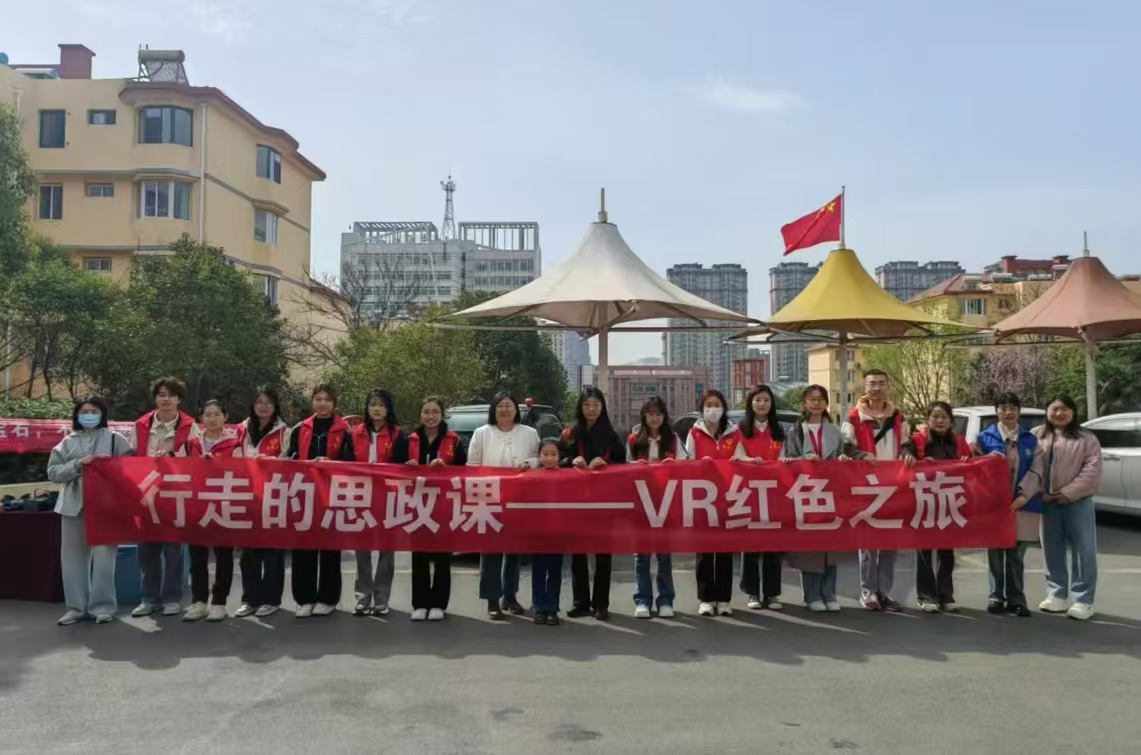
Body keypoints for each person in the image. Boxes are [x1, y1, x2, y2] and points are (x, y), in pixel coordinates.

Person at [1013, 395, 1103, 621]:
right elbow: (1028, 467)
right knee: (1051, 550)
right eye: (1055, 409)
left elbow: (1092, 471)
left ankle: (1083, 600)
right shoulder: (1036, 434)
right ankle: (1057, 594)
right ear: (1047, 411)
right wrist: (1032, 492)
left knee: (1083, 551)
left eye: (1065, 409)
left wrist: (1067, 493)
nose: (1059, 413)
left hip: (1077, 501)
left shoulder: (1087, 438)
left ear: (1073, 412)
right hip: (1045, 502)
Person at [48, 396, 134, 625]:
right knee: (72, 561)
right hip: (72, 507)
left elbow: (132, 470)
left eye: (94, 411)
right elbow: (53, 473)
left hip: (106, 509)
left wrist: (112, 466)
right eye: (84, 411)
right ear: (77, 415)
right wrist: (77, 464)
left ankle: (103, 607)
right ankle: (76, 608)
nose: (89, 415)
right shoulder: (67, 442)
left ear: (102, 414)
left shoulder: (116, 439)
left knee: (104, 561)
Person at [781, 385, 866, 612]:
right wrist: (803, 459)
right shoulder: (796, 430)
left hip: (831, 493)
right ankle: (812, 595)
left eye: (820, 399)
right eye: (812, 399)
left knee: (831, 546)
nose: (816, 403)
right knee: (810, 548)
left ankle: (829, 594)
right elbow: (787, 460)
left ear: (826, 403)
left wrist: (846, 458)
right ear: (805, 403)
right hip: (808, 492)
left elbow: (846, 452)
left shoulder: (834, 430)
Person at [284, 384, 355, 618]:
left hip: (332, 496)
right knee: (303, 548)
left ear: (334, 403)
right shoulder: (300, 428)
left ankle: (328, 598)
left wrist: (331, 464)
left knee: (329, 549)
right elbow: (288, 458)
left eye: (327, 399)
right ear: (312, 401)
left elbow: (351, 463)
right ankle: (304, 598)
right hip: (303, 494)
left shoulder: (345, 430)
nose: (322, 403)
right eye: (318, 399)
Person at [468, 391, 539, 620]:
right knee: (490, 552)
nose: (505, 410)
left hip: (519, 499)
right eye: (500, 406)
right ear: (493, 410)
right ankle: (492, 600)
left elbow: (541, 459)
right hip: (489, 499)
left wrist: (528, 463)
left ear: (516, 410)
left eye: (509, 405)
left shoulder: (529, 434)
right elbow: (472, 465)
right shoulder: (481, 433)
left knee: (514, 552)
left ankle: (510, 596)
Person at [843, 369, 908, 613]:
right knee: (868, 543)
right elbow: (845, 446)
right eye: (872, 384)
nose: (877, 388)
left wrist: (909, 453)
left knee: (890, 543)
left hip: (894, 486)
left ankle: (884, 591)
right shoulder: (853, 417)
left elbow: (907, 443)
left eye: (881, 383)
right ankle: (868, 591)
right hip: (866, 486)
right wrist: (861, 455)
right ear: (865, 387)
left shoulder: (898, 416)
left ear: (888, 386)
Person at [560, 387, 626, 621]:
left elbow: (623, 464)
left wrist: (606, 464)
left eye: (596, 405)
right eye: (587, 404)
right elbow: (555, 460)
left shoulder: (612, 435)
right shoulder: (569, 433)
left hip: (604, 502)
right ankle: (580, 602)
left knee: (603, 555)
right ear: (580, 407)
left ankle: (601, 603)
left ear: (602, 407)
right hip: (576, 502)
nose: (591, 409)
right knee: (577, 555)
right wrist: (570, 460)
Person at [901, 401, 974, 614]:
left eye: (944, 417)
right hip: (923, 502)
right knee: (924, 551)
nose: (940, 421)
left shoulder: (959, 442)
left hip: (949, 503)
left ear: (951, 421)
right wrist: (909, 456)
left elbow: (972, 465)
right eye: (935, 416)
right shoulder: (917, 440)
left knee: (947, 552)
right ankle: (926, 596)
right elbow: (904, 453)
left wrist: (967, 460)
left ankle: (946, 596)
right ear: (928, 419)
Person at [132, 377, 195, 619]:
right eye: (161, 394)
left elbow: (197, 461)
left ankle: (172, 598)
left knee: (173, 550)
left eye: (171, 394)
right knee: (146, 550)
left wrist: (173, 458)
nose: (165, 399)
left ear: (179, 399)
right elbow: (129, 459)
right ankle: (149, 599)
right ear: (155, 398)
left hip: (175, 493)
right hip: (146, 494)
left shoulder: (190, 426)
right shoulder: (140, 425)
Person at [976, 392, 1039, 618]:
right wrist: (985, 459)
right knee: (994, 552)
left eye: (1013, 407)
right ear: (996, 412)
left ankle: (1016, 599)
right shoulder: (984, 438)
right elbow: (973, 467)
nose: (1009, 412)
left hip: (1020, 504)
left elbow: (1037, 470)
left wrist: (1023, 494)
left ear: (1019, 411)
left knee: (1016, 554)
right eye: (1003, 408)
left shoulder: (1030, 439)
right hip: (993, 505)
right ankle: (996, 597)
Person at [182, 400, 245, 622]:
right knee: (197, 555)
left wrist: (216, 464)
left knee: (223, 555)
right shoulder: (191, 443)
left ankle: (219, 602)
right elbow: (179, 468)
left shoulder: (235, 443)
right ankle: (199, 601)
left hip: (224, 503)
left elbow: (242, 471)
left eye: (217, 414)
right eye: (207, 414)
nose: (212, 419)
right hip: (197, 504)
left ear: (225, 417)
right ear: (201, 418)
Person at [406, 396, 466, 621]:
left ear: (442, 415)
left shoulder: (454, 440)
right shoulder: (410, 439)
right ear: (420, 414)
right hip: (417, 502)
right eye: (426, 412)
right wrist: (410, 466)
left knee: (443, 556)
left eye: (435, 412)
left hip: (445, 503)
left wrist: (445, 468)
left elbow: (463, 469)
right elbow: (396, 467)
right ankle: (420, 603)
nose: (430, 416)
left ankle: (439, 604)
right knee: (419, 554)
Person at [350, 389, 408, 617]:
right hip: (361, 497)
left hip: (388, 499)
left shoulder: (397, 435)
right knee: (362, 551)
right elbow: (345, 463)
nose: (376, 409)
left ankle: (381, 599)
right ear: (367, 407)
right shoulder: (355, 433)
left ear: (388, 409)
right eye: (373, 404)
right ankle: (362, 597)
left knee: (386, 551)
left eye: (381, 405)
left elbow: (402, 466)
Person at [627, 396, 685, 619]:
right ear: (644, 415)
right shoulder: (634, 439)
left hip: (665, 502)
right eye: (650, 413)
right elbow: (623, 468)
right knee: (641, 554)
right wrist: (636, 467)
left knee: (663, 554)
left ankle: (666, 600)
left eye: (658, 414)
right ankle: (643, 600)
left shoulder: (673, 439)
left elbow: (687, 466)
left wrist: (674, 466)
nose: (654, 418)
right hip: (640, 503)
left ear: (664, 416)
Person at [685, 389, 741, 617]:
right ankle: (706, 599)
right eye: (708, 405)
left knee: (725, 552)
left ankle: (724, 600)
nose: (713, 409)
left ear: (724, 408)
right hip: (702, 500)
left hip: (729, 498)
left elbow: (742, 460)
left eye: (717, 404)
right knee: (705, 552)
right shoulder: (694, 433)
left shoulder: (734, 433)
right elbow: (687, 463)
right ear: (702, 408)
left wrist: (739, 462)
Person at [237, 386, 290, 618]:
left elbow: (290, 464)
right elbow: (232, 457)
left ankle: (271, 599)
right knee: (248, 553)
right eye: (259, 402)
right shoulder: (241, 429)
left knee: (272, 552)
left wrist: (271, 462)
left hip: (273, 497)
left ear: (275, 405)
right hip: (246, 497)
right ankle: (250, 599)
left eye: (268, 402)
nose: (263, 406)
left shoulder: (285, 431)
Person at [734, 385, 787, 611]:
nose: (762, 404)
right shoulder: (740, 428)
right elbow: (737, 455)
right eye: (757, 400)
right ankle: (753, 592)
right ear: (751, 403)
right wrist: (750, 461)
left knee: (773, 545)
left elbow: (784, 457)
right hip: (748, 494)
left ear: (771, 404)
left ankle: (772, 593)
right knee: (750, 545)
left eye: (766, 400)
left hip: (774, 494)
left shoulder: (779, 429)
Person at [531, 438, 566, 625]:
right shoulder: (532, 476)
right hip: (537, 531)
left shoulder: (567, 476)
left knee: (554, 571)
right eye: (545, 454)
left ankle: (552, 608)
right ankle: (538, 607)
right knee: (538, 570)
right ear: (539, 456)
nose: (549, 458)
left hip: (557, 531)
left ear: (560, 456)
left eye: (553, 454)